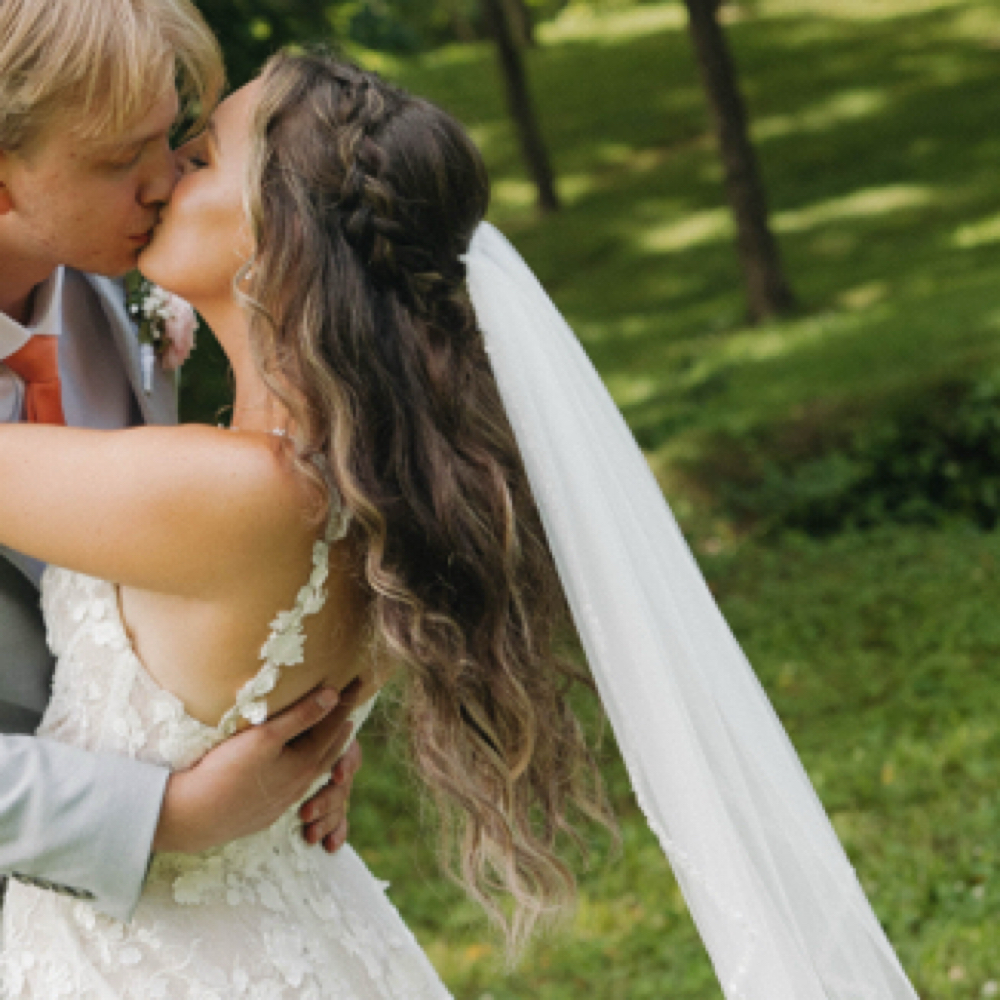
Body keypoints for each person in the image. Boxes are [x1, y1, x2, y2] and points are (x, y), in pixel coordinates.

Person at [0, 46, 921, 1000]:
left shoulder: (232, 496)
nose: (160, 177)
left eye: (198, 159)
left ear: (278, 241)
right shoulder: (371, 484)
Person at [0, 0, 360, 930]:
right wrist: (163, 816)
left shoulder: (124, 282)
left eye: (171, 139)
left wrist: (273, 708)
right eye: (122, 162)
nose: (166, 183)